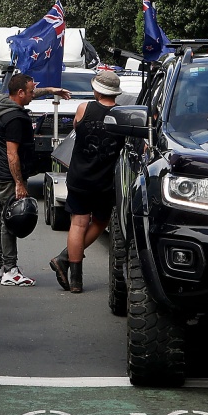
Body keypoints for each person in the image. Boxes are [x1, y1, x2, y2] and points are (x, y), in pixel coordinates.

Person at [50, 67, 122, 292]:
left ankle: (75, 280)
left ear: (96, 90)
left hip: (79, 175)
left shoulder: (84, 108)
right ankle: (63, 259)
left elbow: (76, 131)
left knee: (78, 223)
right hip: (105, 180)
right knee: (100, 222)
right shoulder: (123, 114)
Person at [0, 71, 38, 287]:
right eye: (31, 91)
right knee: (10, 221)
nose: (34, 94)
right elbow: (12, 153)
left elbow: (25, 92)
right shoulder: (16, 119)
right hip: (8, 177)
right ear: (20, 93)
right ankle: (11, 270)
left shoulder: (0, 104)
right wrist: (19, 182)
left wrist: (51, 91)